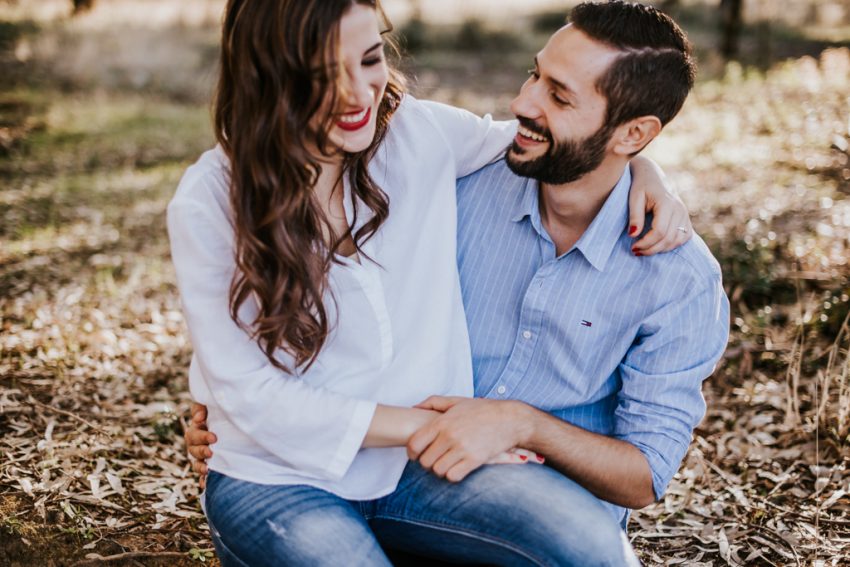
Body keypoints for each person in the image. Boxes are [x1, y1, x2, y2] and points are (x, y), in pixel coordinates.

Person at [171, 1, 695, 565]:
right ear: (266, 74)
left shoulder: (417, 136)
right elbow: (252, 396)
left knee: (594, 549)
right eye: (323, 75)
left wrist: (646, 169)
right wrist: (438, 425)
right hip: (279, 475)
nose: (358, 94)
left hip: (419, 466)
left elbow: (564, 145)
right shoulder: (209, 202)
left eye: (370, 59)